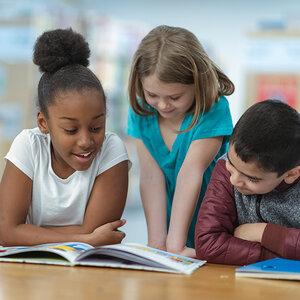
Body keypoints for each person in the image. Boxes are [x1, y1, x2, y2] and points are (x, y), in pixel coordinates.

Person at [0, 28, 131, 247]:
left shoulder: (111, 149)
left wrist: (28, 232)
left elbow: (95, 230)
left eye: (97, 126)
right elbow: (6, 232)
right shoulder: (28, 145)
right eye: (71, 130)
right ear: (43, 123)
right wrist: (86, 238)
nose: (86, 141)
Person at [126, 25, 234, 257]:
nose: (163, 105)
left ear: (197, 83)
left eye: (175, 97)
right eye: (153, 95)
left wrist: (175, 245)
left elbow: (190, 173)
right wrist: (157, 242)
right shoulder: (141, 111)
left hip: (213, 229)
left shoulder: (213, 110)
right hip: (171, 228)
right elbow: (150, 177)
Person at [195, 99, 300, 265]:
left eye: (252, 178)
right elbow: (208, 244)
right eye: (232, 164)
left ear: (291, 175)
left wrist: (263, 233)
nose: (233, 179)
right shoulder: (224, 167)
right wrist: (284, 254)